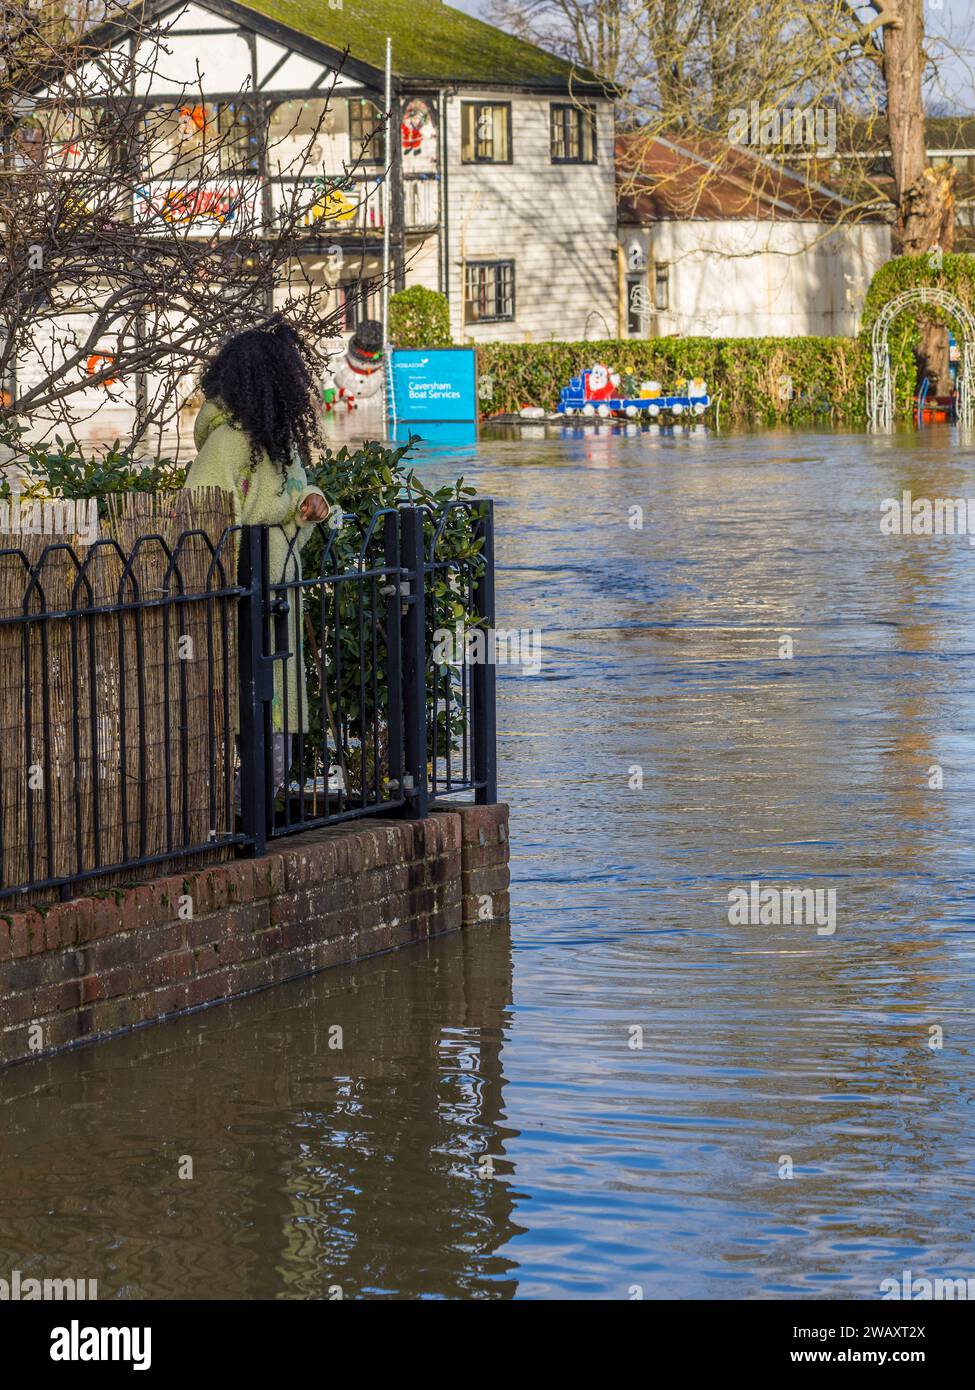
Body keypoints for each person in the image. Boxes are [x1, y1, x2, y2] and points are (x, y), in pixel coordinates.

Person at [183, 316, 331, 794]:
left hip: (277, 603)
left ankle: (261, 818)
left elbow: (293, 504)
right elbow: (199, 530)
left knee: (275, 729)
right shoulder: (225, 447)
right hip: (242, 608)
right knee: (247, 718)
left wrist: (312, 503)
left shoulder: (280, 448)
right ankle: (247, 825)